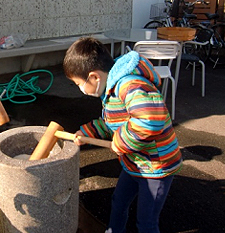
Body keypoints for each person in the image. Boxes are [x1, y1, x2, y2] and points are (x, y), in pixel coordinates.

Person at [63, 37, 183, 233]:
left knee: (146, 222)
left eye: (78, 83)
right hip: (134, 163)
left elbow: (149, 121)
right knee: (118, 202)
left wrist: (120, 142)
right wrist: (87, 132)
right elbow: (113, 121)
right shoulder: (110, 89)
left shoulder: (130, 86)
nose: (80, 89)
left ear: (94, 77)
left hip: (155, 167)